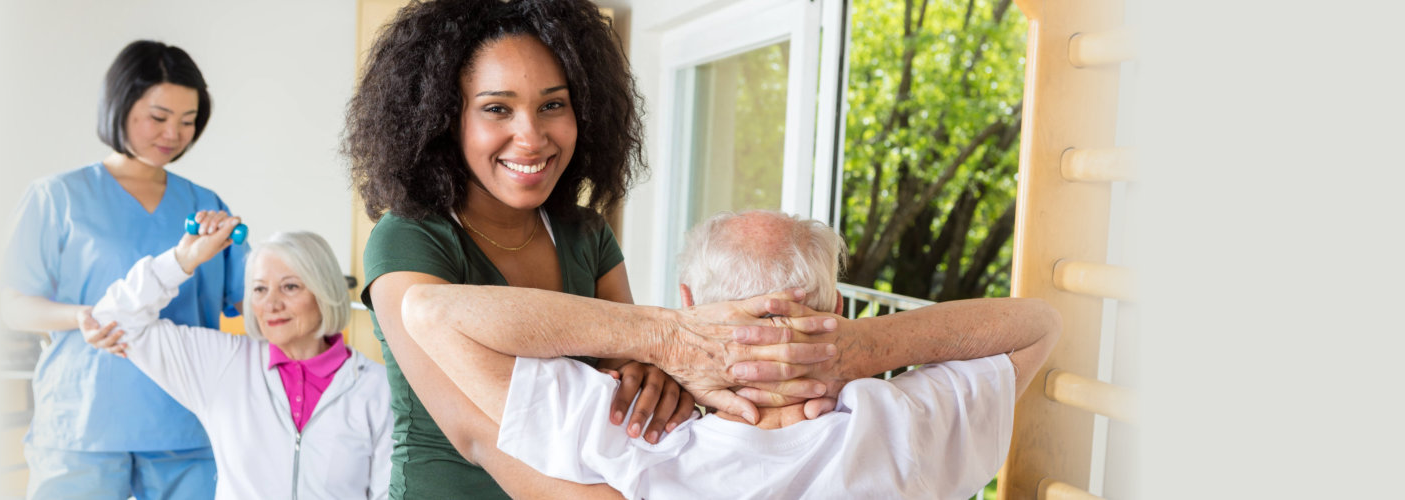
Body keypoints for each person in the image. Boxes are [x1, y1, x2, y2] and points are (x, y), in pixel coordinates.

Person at [344, 0, 740, 497]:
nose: (531, 137)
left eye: (553, 104)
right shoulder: (409, 238)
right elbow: (477, 437)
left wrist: (651, 383)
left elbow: (629, 370)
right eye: (497, 108)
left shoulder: (586, 235)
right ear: (446, 119)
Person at [392, 210, 1062, 498]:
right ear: (834, 310)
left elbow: (430, 313)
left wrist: (664, 336)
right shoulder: (902, 426)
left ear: (689, 298)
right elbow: (1037, 323)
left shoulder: (635, 433)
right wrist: (865, 348)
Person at [0, 40, 237, 500]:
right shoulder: (57, 198)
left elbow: (251, 298)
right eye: (159, 117)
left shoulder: (206, 207)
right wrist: (80, 317)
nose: (173, 134)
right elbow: (12, 305)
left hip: (184, 422)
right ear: (120, 106)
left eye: (188, 121)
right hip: (83, 423)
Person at [77, 213, 393, 500]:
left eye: (290, 287)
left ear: (324, 291)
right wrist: (184, 259)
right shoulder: (223, 364)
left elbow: (388, 492)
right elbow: (112, 317)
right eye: (259, 289)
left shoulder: (377, 388)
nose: (271, 304)